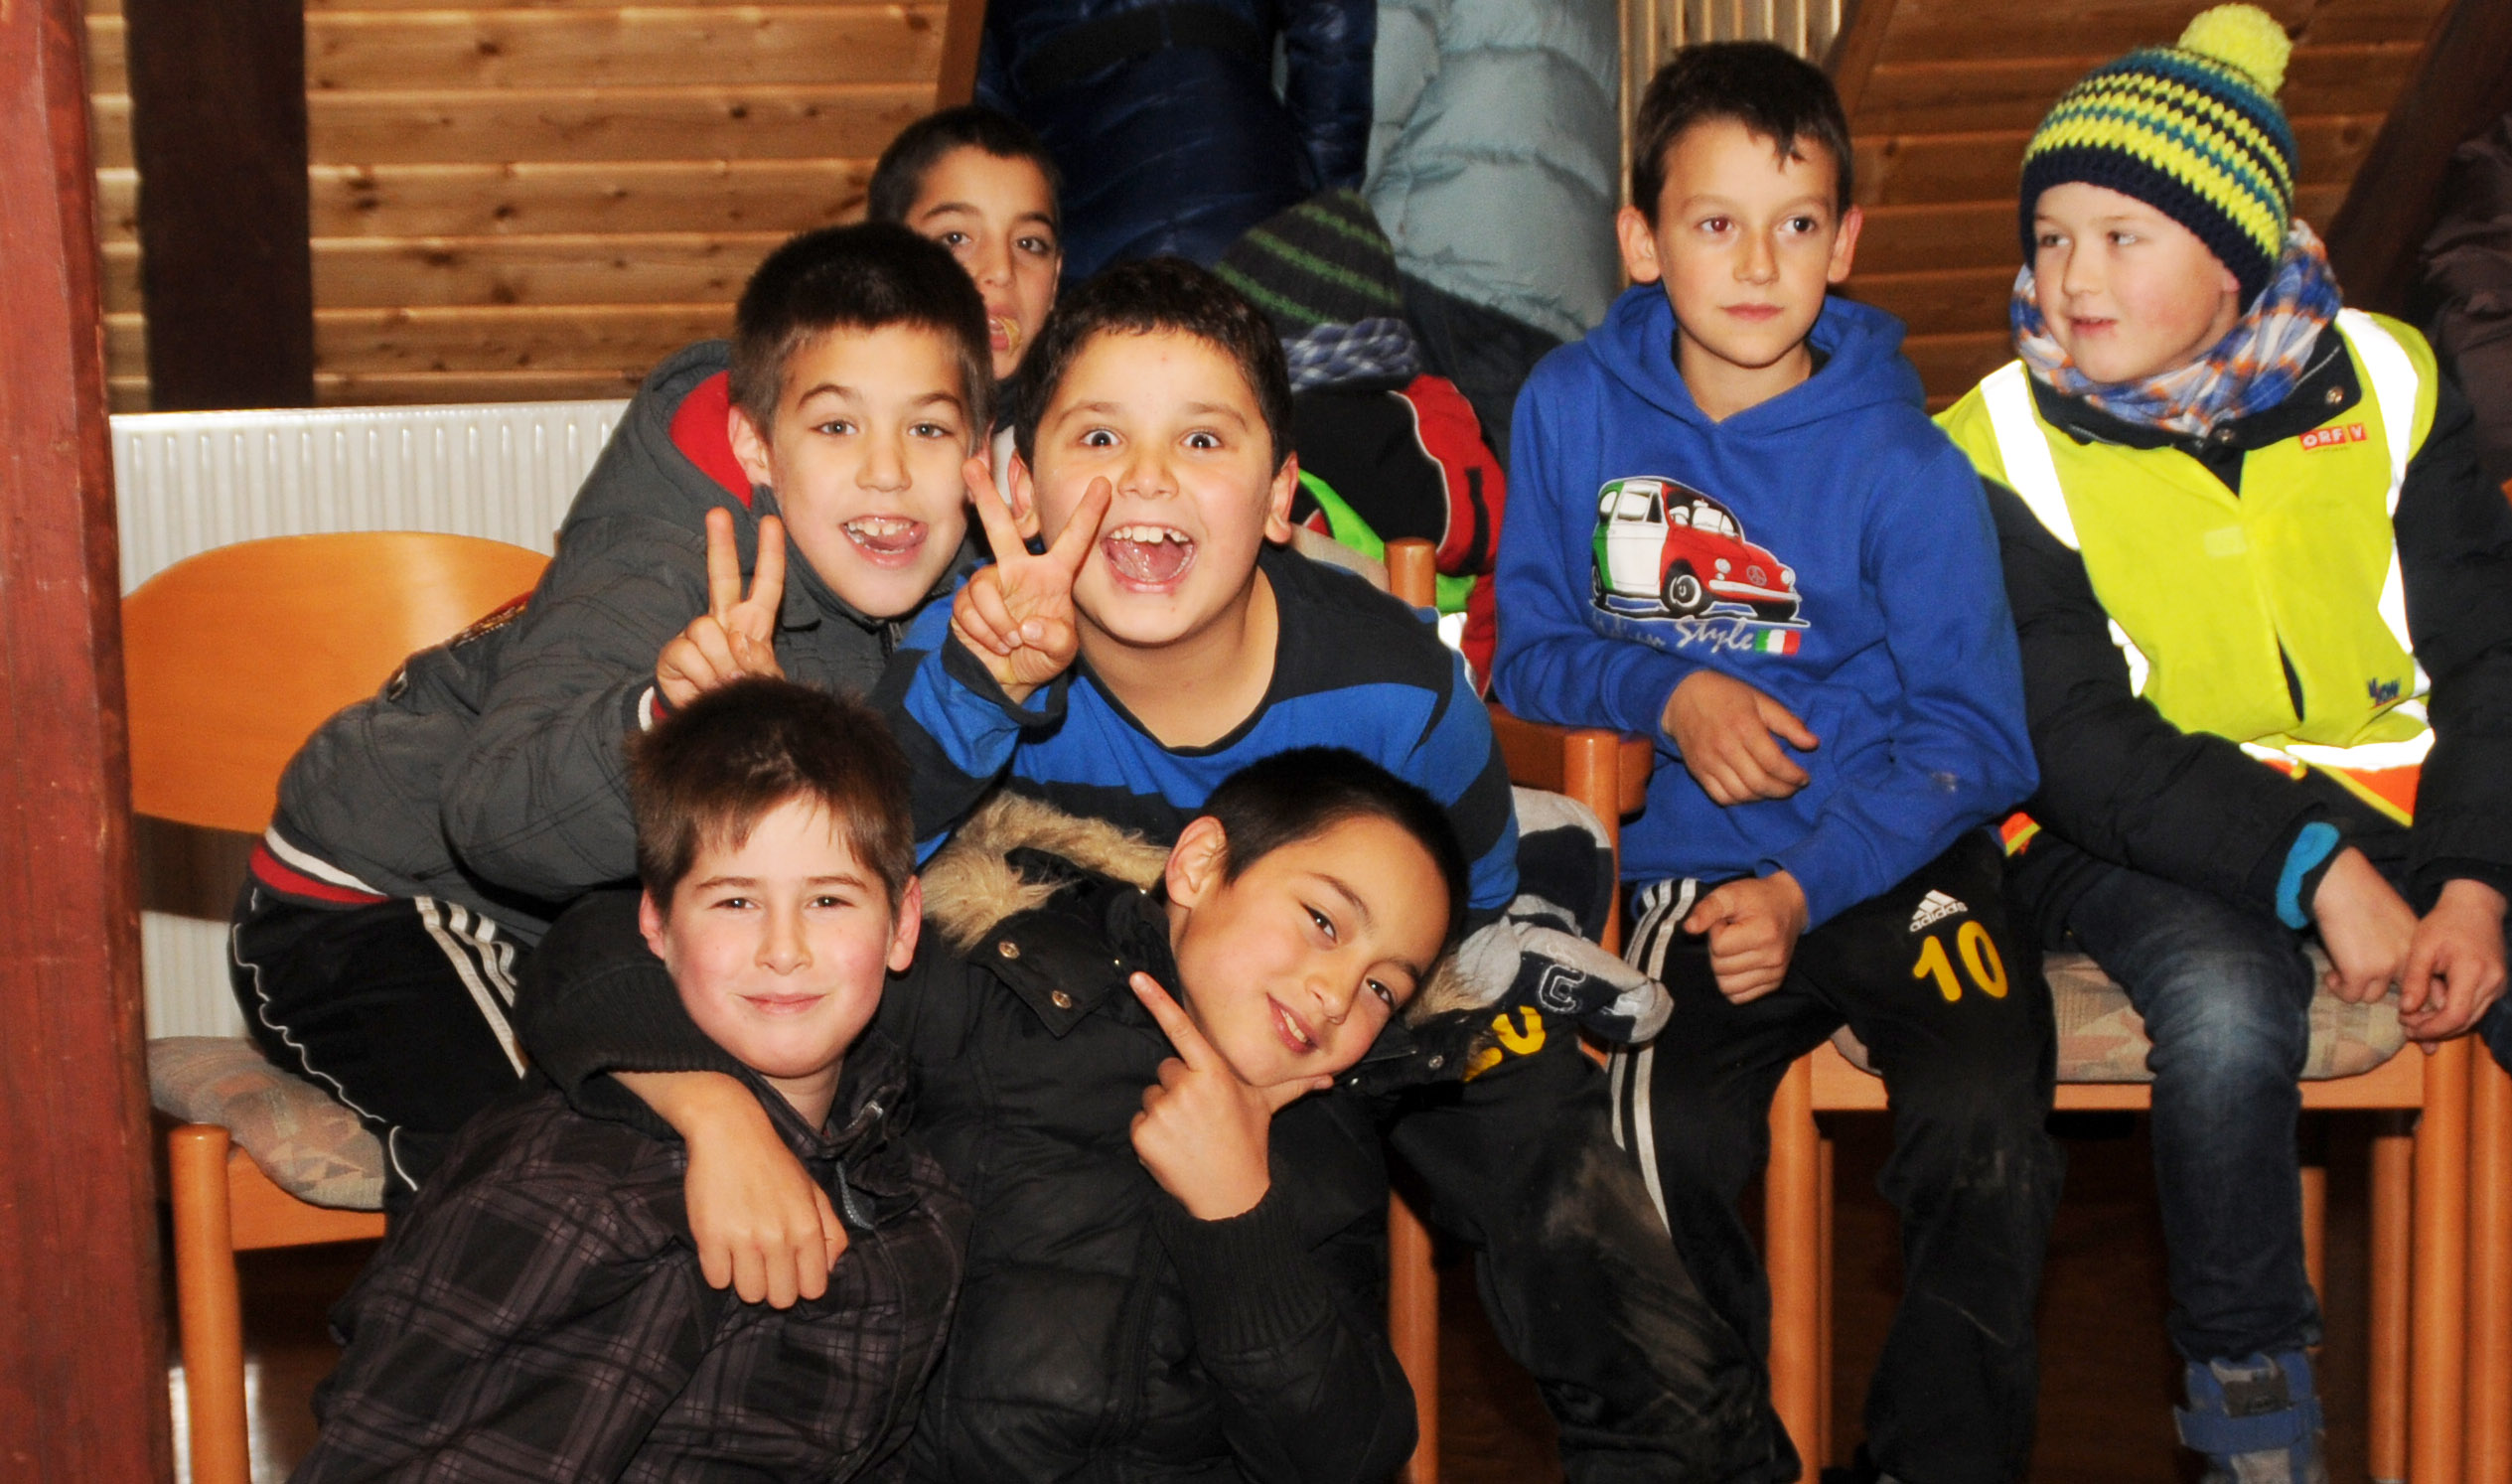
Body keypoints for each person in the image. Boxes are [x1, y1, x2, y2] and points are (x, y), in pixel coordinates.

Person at [524, 257, 1792, 1481]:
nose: (1145, 480)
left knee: (1563, 1177)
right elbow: (831, 875)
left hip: (1339, 1018)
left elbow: (1469, 898)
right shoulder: (961, 647)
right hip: (1062, 1035)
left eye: (1201, 441)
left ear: (1282, 495)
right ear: (1015, 482)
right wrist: (971, 697)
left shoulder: (1398, 693)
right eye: (1098, 438)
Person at [1931, 6, 2512, 1475]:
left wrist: (2474, 882)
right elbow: (2073, 736)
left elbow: (2487, 659)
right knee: (2227, 1003)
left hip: (2389, 797)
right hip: (2101, 828)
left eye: (2121, 237)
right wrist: (2314, 869)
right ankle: (2254, 1411)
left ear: (2236, 252)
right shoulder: (1988, 444)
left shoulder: (2389, 380)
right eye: (2050, 238)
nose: (2071, 278)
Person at [1492, 42, 2058, 1484]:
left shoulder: (1908, 463)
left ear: (1845, 242)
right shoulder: (1569, 405)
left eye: (1796, 223)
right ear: (1639, 240)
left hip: (1896, 853)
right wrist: (1667, 691)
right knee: (1652, 1134)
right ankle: (1726, 1459)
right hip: (1687, 867)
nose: (1758, 264)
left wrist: (1809, 886)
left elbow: (1977, 739)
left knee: (1989, 1112)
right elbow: (1527, 655)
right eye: (1714, 222)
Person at [231, 221, 996, 1207]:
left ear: (977, 449)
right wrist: (666, 716)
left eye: (926, 429)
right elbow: (493, 822)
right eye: (837, 427)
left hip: (617, 927)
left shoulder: (963, 564)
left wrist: (1001, 675)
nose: (887, 471)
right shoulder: (656, 569)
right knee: (550, 1170)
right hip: (381, 902)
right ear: (754, 444)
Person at [527, 746, 1462, 1480]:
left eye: (1383, 987)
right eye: (1322, 921)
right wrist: (717, 1113)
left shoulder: (1330, 1145)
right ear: (1199, 864)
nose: (1337, 993)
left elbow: (1350, 1454)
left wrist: (1239, 1219)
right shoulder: (1009, 973)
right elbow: (602, 944)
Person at [293, 679, 966, 1482]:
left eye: (827, 899)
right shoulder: (590, 1208)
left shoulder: (900, 1169)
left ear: (903, 924)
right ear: (655, 925)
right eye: (735, 902)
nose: (783, 950)